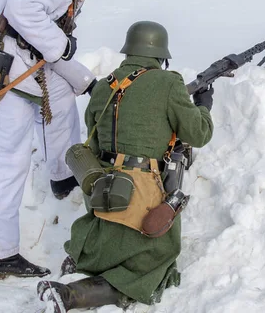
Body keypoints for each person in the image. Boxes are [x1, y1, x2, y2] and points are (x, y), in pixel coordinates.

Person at [36, 21, 214, 310]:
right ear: (160, 54)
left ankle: (86, 262)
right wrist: (203, 106)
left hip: (103, 194)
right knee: (152, 264)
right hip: (142, 197)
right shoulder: (169, 82)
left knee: (103, 241)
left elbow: (93, 142)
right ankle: (69, 296)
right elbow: (199, 133)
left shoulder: (105, 85)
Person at [0, 0, 121, 278]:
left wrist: (85, 81)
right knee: (4, 164)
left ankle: (63, 173)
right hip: (1, 78)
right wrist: (61, 45)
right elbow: (23, 11)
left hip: (16, 69)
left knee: (60, 95)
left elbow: (41, 45)